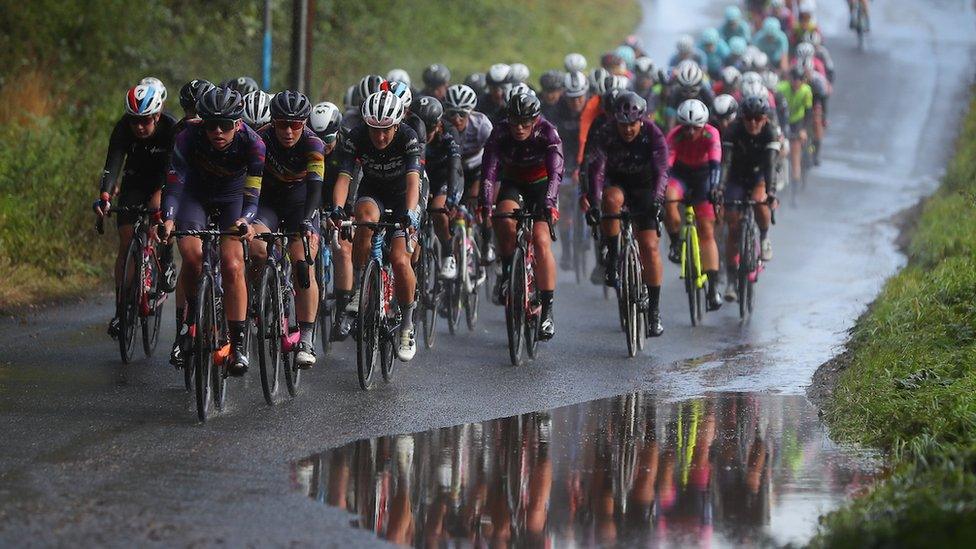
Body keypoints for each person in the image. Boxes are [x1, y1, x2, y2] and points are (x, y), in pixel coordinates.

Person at [162, 87, 265, 374]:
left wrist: (246, 219)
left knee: (232, 265)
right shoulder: (187, 137)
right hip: (195, 197)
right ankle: (187, 327)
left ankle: (238, 345)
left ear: (239, 124)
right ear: (201, 122)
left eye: (226, 125)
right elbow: (174, 183)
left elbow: (254, 193)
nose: (218, 131)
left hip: (233, 201)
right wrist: (168, 219)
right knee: (191, 255)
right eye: (211, 125)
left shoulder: (254, 143)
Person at [331, 91, 422, 362]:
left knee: (399, 259)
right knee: (364, 222)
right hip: (373, 191)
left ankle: (406, 324)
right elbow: (345, 177)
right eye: (374, 130)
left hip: (404, 193)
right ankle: (362, 285)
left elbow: (413, 181)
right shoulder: (357, 136)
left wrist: (410, 215)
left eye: (386, 131)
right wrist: (337, 208)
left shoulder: (408, 137)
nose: (380, 137)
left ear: (396, 125)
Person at [94, 83, 178, 339]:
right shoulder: (122, 128)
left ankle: (166, 256)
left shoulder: (170, 128)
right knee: (127, 241)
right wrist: (105, 195)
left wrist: (161, 193)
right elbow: (113, 163)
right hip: (134, 181)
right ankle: (121, 310)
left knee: (158, 209)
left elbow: (175, 169)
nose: (139, 127)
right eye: (134, 121)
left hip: (164, 179)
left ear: (156, 115)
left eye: (144, 121)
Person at [248, 91, 323, 368]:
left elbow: (316, 187)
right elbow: (250, 181)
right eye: (282, 124)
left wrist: (307, 220)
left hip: (300, 205)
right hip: (267, 202)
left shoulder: (314, 143)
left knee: (304, 264)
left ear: (304, 123)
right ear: (273, 121)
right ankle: (257, 295)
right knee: (255, 247)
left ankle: (306, 338)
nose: (289, 131)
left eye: (296, 125)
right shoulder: (260, 139)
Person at [584, 92, 668, 336]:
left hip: (645, 186)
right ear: (615, 122)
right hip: (616, 182)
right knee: (610, 201)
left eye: (632, 124)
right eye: (623, 124)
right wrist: (594, 203)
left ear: (641, 120)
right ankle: (611, 256)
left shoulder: (653, 133)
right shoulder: (606, 133)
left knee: (650, 247)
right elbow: (596, 170)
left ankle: (653, 311)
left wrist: (659, 200)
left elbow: (662, 169)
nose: (628, 129)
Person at [480, 93, 563, 340]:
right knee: (503, 218)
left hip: (542, 186)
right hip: (514, 183)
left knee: (540, 239)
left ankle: (547, 311)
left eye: (525, 123)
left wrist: (549, 203)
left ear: (535, 120)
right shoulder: (500, 132)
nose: (519, 128)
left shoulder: (549, 132)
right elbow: (489, 171)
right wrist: (486, 203)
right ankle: (507, 272)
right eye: (515, 121)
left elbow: (556, 173)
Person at [718, 95, 779, 302]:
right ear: (741, 119)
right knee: (732, 227)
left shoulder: (770, 132)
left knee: (760, 202)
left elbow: (771, 165)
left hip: (759, 176)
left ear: (765, 119)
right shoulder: (732, 130)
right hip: (736, 176)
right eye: (749, 118)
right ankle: (730, 280)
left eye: (758, 118)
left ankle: (763, 237)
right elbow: (725, 163)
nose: (753, 123)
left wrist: (771, 192)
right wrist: (720, 187)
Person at [664, 99, 723, 311]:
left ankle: (713, 288)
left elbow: (716, 164)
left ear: (703, 125)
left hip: (704, 175)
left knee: (706, 230)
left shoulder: (711, 134)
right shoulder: (674, 135)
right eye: (686, 127)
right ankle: (676, 244)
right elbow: (667, 165)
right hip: (680, 174)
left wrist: (715, 188)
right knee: (669, 198)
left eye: (695, 127)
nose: (690, 132)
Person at [308, 101, 356, 332]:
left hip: (344, 195)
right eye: (318, 140)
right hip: (315, 192)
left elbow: (351, 180)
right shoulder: (306, 142)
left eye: (328, 140)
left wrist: (345, 210)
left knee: (343, 248)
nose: (323, 146)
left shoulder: (347, 144)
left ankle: (343, 309)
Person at [414, 96, 463, 279]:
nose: (425, 135)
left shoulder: (449, 132)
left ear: (439, 124)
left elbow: (455, 165)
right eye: (420, 128)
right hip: (419, 176)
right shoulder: (409, 132)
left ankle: (449, 254)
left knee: (438, 212)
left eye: (430, 129)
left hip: (444, 177)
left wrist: (451, 199)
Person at [550, 71, 589, 268]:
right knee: (565, 205)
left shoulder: (591, 108)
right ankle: (566, 250)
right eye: (572, 98)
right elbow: (553, 140)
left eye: (580, 97)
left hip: (587, 155)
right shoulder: (558, 109)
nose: (576, 102)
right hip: (565, 155)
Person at [443, 84, 494, 213]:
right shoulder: (440, 124)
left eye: (462, 114)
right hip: (450, 167)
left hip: (477, 168)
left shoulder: (482, 125)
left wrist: (478, 186)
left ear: (470, 112)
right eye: (452, 113)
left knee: (482, 207)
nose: (457, 119)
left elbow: (493, 159)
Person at [776, 67, 813, 184]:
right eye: (794, 79)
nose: (796, 82)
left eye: (800, 79)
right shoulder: (781, 88)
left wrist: (804, 130)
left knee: (795, 153)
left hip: (797, 122)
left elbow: (808, 112)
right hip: (782, 120)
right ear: (790, 79)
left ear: (803, 80)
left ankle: (795, 189)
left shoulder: (806, 91)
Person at [664, 61, 715, 130]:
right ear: (679, 86)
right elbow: (670, 122)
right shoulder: (675, 93)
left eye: (693, 90)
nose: (689, 95)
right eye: (685, 91)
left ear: (700, 86)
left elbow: (712, 115)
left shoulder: (706, 91)